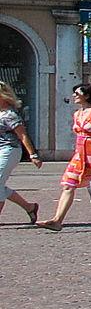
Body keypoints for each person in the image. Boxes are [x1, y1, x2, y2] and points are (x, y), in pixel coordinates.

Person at [40, 82, 91, 231]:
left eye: (77, 94)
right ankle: (57, 220)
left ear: (87, 95)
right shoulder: (77, 114)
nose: (74, 96)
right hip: (80, 155)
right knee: (68, 184)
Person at [0, 80, 42, 224]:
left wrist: (33, 155)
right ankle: (29, 207)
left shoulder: (9, 114)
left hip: (9, 150)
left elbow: (23, 135)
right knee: (0, 185)